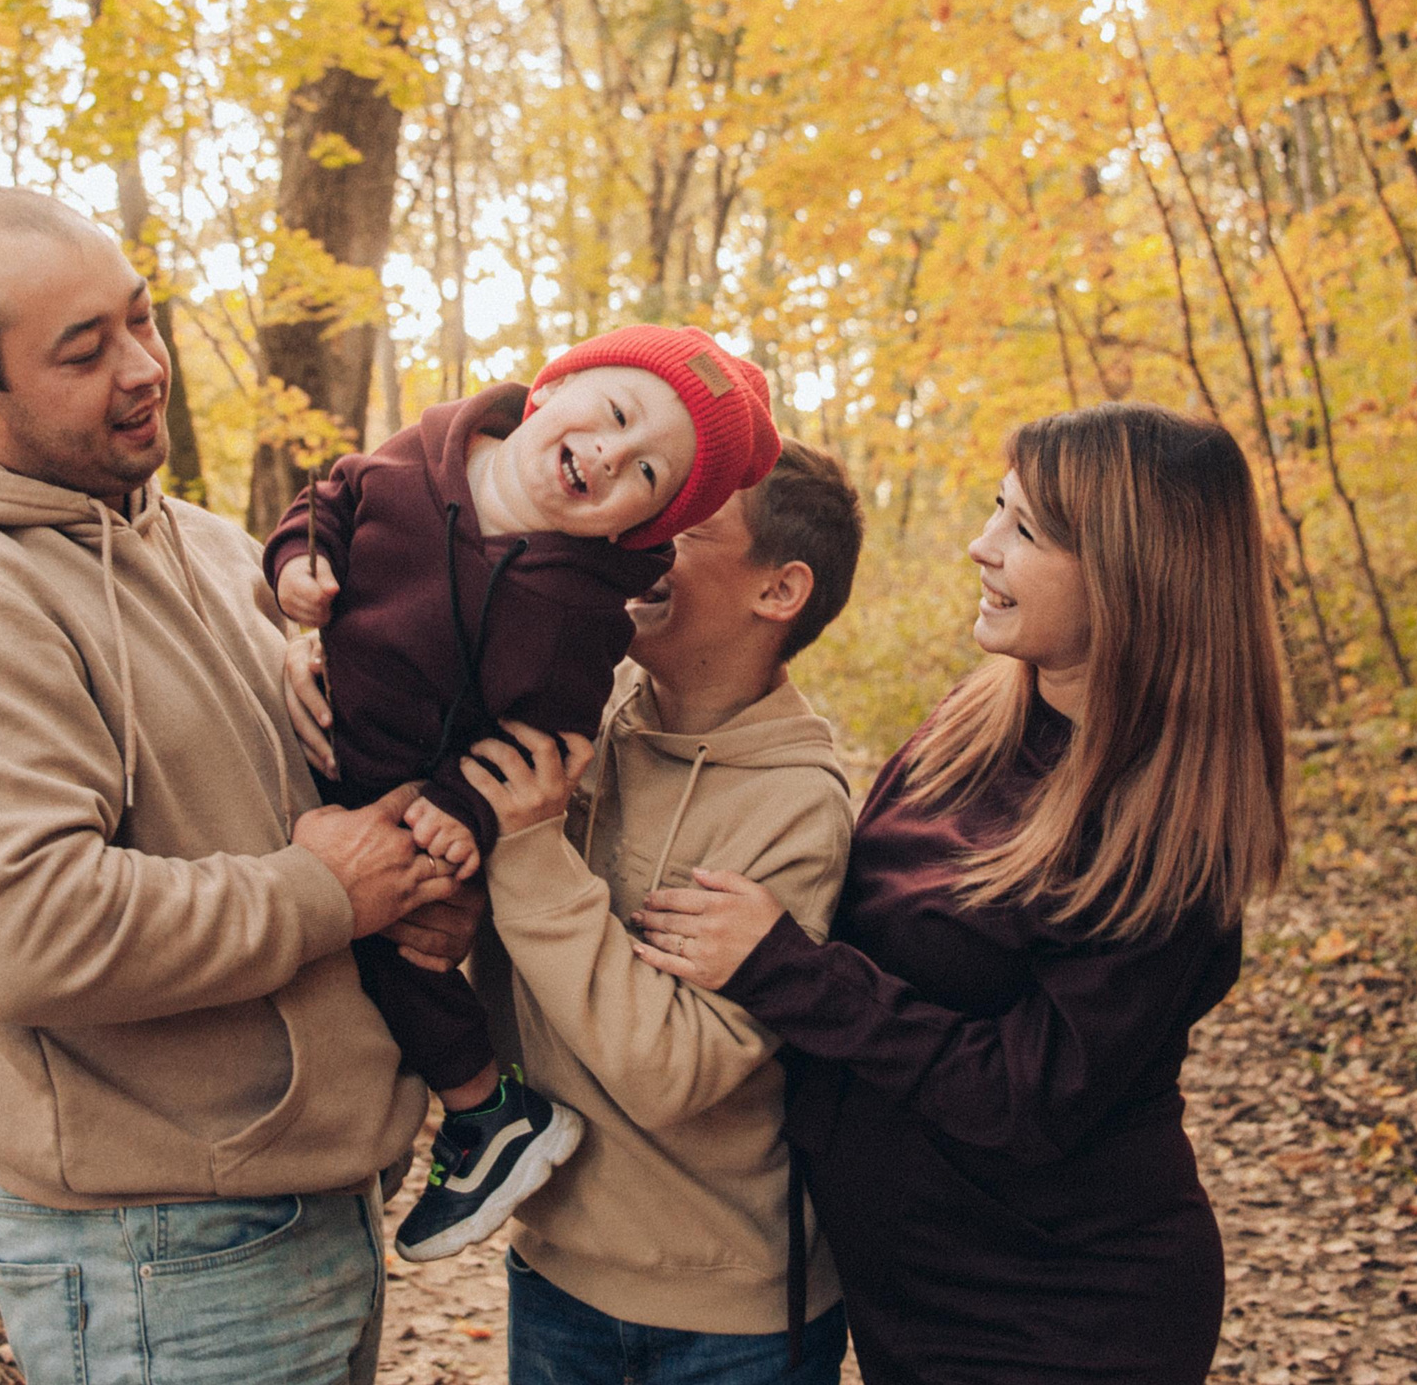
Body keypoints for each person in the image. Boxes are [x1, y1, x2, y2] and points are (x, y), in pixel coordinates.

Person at [0, 188, 462, 1385]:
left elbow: (301, 820)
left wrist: (416, 879)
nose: (142, 367)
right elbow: (30, 931)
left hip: (298, 1209)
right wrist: (325, 893)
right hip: (161, 1254)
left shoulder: (211, 547)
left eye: (142, 320)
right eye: (83, 349)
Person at [633, 403, 1290, 1385]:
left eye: (1024, 530)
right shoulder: (973, 718)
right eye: (997, 508)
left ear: (1131, 574)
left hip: (1063, 1316)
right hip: (901, 1283)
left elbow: (1025, 1097)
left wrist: (784, 970)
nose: (981, 546)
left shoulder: (1166, 841)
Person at [289, 441, 867, 1384]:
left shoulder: (796, 805)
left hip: (726, 1315)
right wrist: (316, 663)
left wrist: (524, 850)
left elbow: (672, 1068)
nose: (641, 539)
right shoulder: (582, 712)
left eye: (686, 529)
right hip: (556, 1271)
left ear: (780, 590)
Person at [262, 324, 783, 1262]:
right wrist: (296, 566)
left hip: (407, 800)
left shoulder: (578, 609)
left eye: (648, 474)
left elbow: (548, 741)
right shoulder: (415, 458)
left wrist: (461, 808)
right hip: (312, 759)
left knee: (401, 955)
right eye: (617, 413)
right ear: (552, 388)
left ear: (639, 528)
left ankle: (487, 1113)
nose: (613, 453)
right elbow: (326, 499)